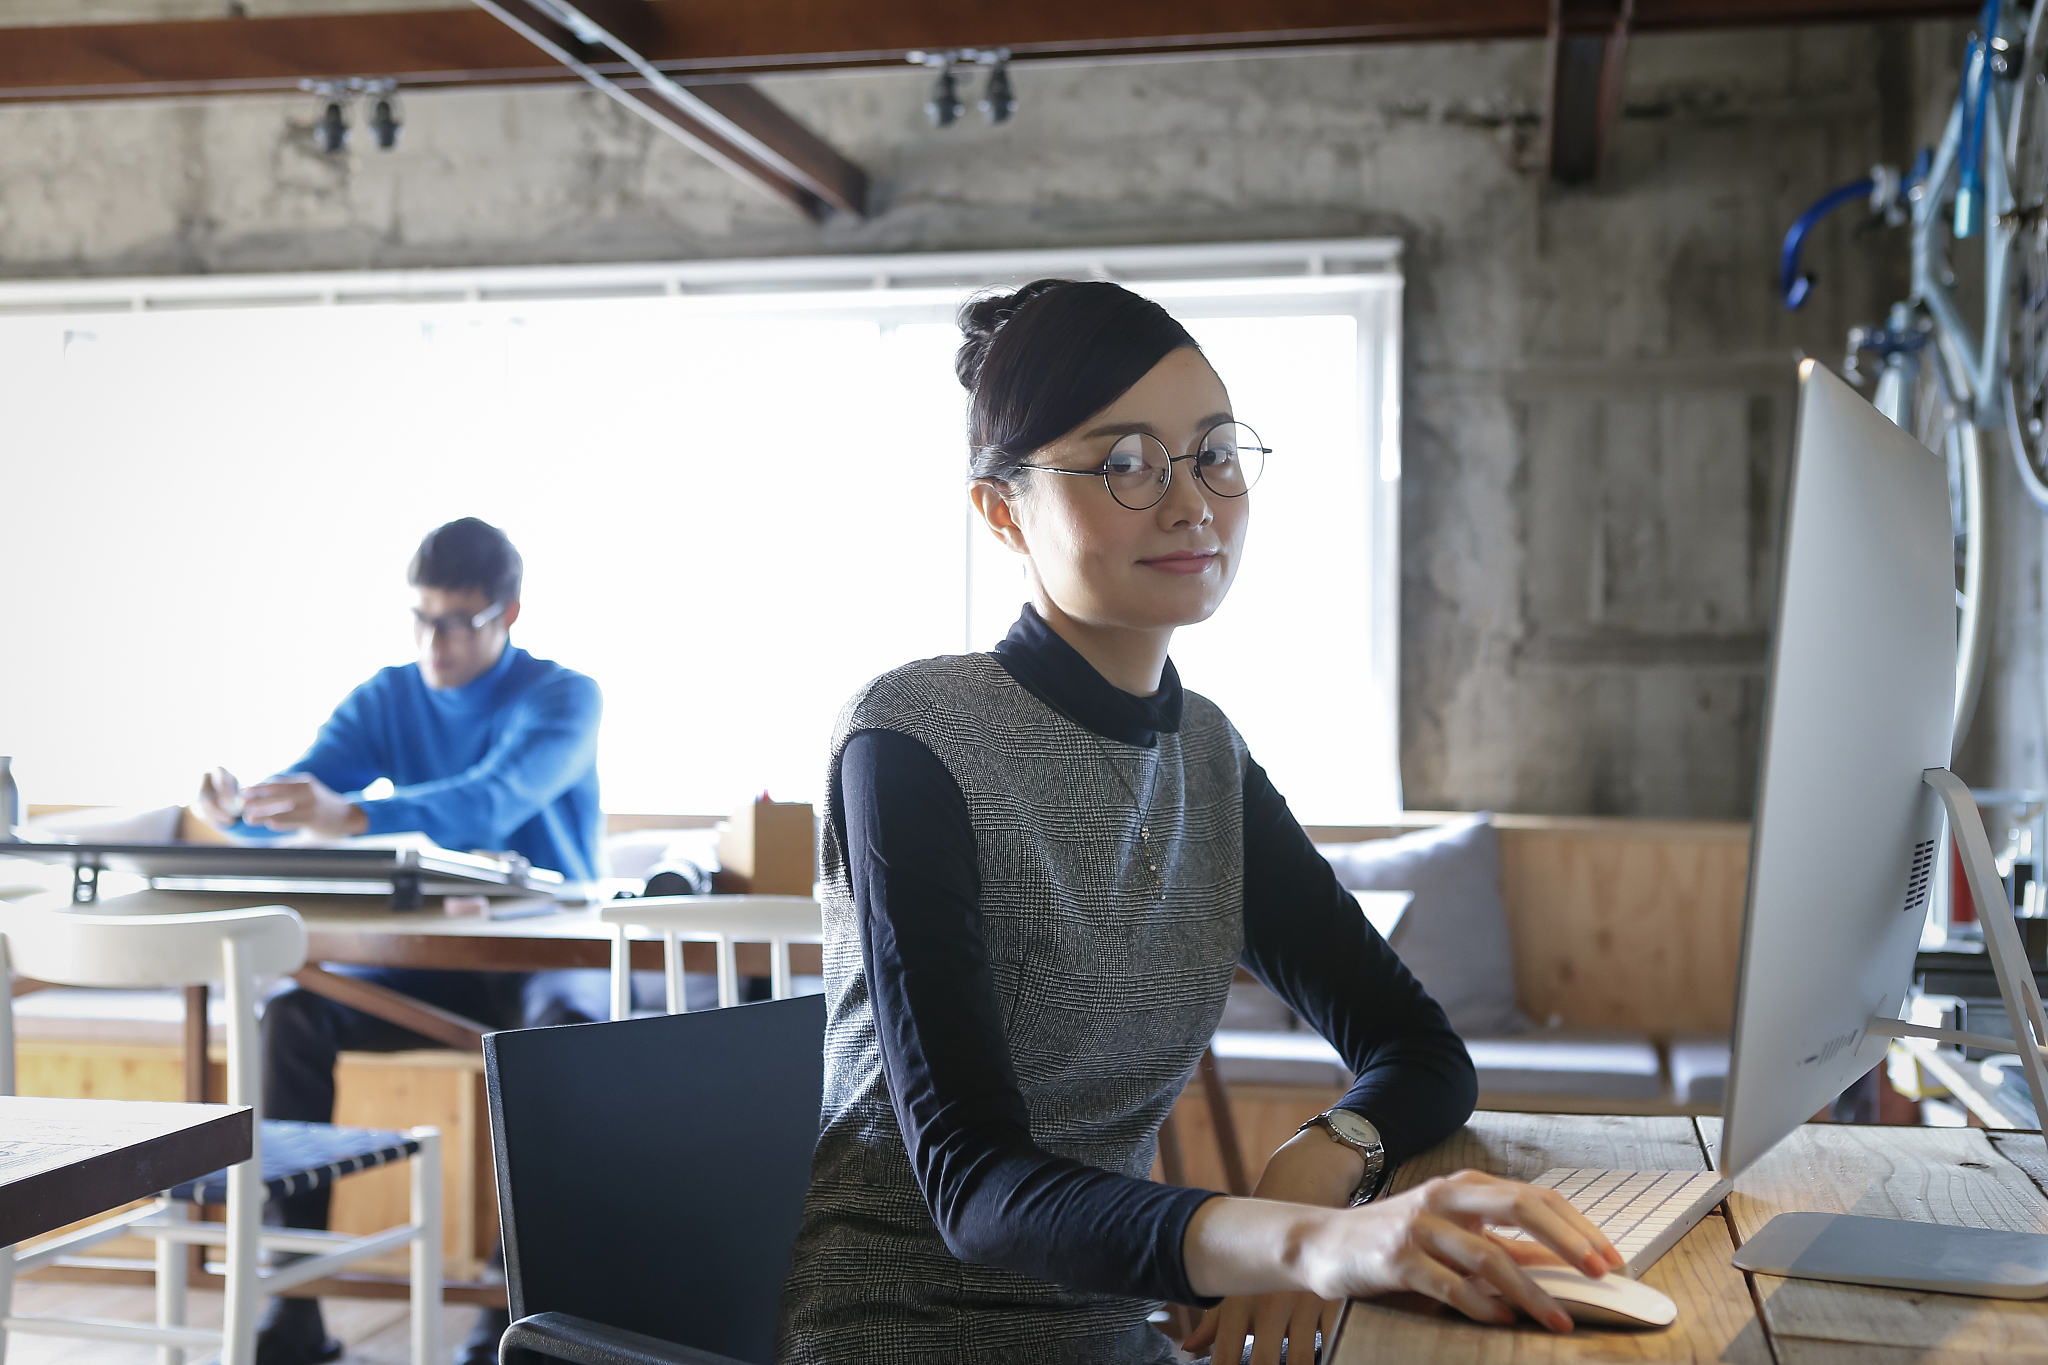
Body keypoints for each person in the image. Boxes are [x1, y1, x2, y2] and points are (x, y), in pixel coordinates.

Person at [776, 281, 1623, 1365]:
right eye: (1125, 463)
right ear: (1001, 512)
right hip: (905, 1344)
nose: (1191, 504)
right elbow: (975, 1190)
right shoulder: (910, 737)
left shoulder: (1205, 755)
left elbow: (1417, 1048)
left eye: (1214, 453)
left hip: (1115, 1341)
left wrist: (1324, 1155)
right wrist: (1305, 1244)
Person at [193, 517, 603, 1365]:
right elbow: (305, 798)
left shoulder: (565, 697)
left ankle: (514, 1317)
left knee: (560, 1032)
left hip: (551, 959)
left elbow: (490, 800)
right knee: (295, 1014)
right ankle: (293, 1304)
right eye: (421, 617)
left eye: (457, 621)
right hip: (435, 963)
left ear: (509, 613)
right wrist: (239, 809)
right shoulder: (387, 696)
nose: (433, 642)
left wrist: (351, 814)